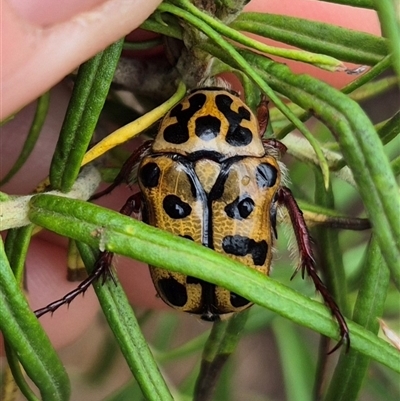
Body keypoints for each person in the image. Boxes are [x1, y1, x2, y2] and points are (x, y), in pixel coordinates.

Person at [0, 0, 380, 351]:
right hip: (222, 286)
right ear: (254, 128)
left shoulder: (157, 163)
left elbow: (133, 183)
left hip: (184, 286)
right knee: (282, 195)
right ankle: (311, 272)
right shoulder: (258, 163)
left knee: (134, 199)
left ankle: (98, 271)